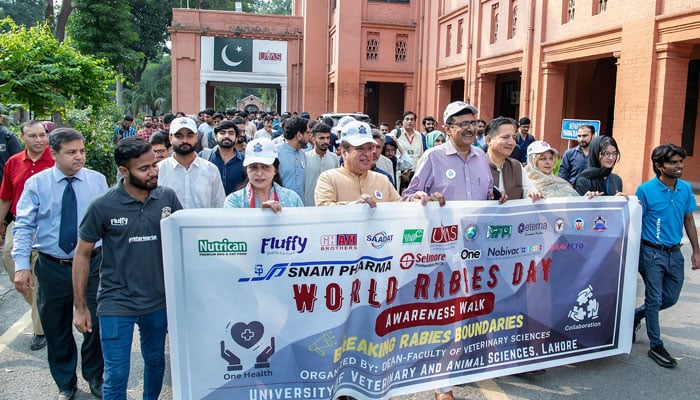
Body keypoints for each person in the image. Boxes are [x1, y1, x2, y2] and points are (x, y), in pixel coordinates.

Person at [72, 136, 182, 400]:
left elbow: (185, 237)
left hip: (157, 301)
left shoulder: (167, 197)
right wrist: (81, 307)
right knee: (116, 375)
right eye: (144, 169)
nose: (153, 172)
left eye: (154, 165)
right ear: (124, 171)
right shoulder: (102, 205)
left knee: (156, 363)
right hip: (115, 302)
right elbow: (82, 254)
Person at [13, 128, 108, 400]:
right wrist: (21, 265)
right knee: (56, 327)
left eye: (81, 151)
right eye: (71, 152)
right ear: (53, 154)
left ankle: (95, 377)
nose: (79, 157)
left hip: (92, 265)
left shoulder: (97, 181)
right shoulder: (37, 185)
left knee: (96, 324)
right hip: (52, 265)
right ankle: (66, 383)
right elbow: (24, 226)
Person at [633, 143, 700, 368]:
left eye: (680, 162)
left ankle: (636, 315)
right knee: (654, 298)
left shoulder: (685, 189)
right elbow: (636, 222)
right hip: (651, 252)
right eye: (673, 162)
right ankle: (656, 345)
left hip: (675, 253)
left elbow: (689, 220)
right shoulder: (645, 190)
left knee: (669, 298)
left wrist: (696, 252)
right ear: (660, 166)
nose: (679, 166)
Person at [0, 120, 54, 351]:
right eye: (33, 136)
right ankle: (44, 310)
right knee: (10, 261)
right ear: (23, 138)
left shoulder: (56, 160)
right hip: (19, 222)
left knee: (38, 274)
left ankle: (40, 329)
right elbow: (5, 196)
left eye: (42, 135)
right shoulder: (13, 162)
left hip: (48, 225)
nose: (39, 140)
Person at [315, 121, 440, 207]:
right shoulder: (328, 179)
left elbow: (399, 208)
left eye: (370, 148)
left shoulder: (382, 180)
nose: (367, 154)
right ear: (344, 152)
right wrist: (353, 207)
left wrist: (415, 201)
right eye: (360, 148)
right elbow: (324, 210)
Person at [402, 101, 494, 204]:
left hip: (479, 220)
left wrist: (497, 196)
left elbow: (489, 191)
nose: (470, 128)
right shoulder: (432, 157)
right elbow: (408, 196)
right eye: (464, 124)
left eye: (473, 123)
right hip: (443, 220)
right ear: (448, 129)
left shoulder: (481, 155)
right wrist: (420, 198)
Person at [158, 117, 226, 208]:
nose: (185, 140)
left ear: (196, 137)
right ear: (170, 138)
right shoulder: (159, 170)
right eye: (179, 136)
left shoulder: (210, 170)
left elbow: (219, 205)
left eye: (190, 136)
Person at [224, 138, 303, 211]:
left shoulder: (292, 199)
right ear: (246, 170)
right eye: (253, 167)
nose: (259, 173)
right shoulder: (234, 201)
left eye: (265, 167)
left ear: (275, 170)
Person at [485, 117, 541, 201]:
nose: (511, 143)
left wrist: (534, 194)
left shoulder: (517, 166)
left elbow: (529, 191)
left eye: (513, 137)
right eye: (505, 137)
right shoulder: (477, 166)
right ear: (489, 140)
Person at [199, 120, 246, 195]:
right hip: (210, 206)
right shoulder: (203, 156)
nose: (226, 136)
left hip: (236, 205)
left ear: (236, 138)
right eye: (222, 133)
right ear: (215, 137)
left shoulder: (245, 161)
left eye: (231, 133)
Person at [304, 122, 339, 206]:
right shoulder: (305, 158)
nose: (326, 141)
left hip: (328, 206)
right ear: (313, 139)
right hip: (308, 206)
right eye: (321, 138)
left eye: (328, 138)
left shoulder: (334, 158)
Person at [276, 116, 310, 202]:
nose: (309, 136)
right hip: (280, 207)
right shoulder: (276, 153)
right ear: (299, 135)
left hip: (299, 206)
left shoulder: (302, 154)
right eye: (308, 133)